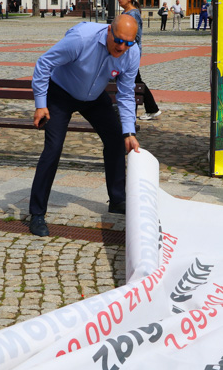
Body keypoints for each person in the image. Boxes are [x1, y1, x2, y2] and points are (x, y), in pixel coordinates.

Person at [28, 16, 141, 237]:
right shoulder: (81, 39)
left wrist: (129, 131)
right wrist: (41, 104)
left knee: (116, 139)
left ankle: (118, 199)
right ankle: (37, 213)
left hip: (95, 97)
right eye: (118, 40)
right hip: (61, 93)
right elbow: (44, 63)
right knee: (53, 149)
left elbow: (126, 93)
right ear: (109, 31)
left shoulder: (132, 52)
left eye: (128, 42)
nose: (122, 47)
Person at [118, 0, 161, 120]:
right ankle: (149, 109)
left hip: (130, 53)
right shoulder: (126, 12)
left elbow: (134, 36)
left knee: (135, 81)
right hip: (125, 52)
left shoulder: (133, 14)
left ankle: (150, 109)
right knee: (134, 80)